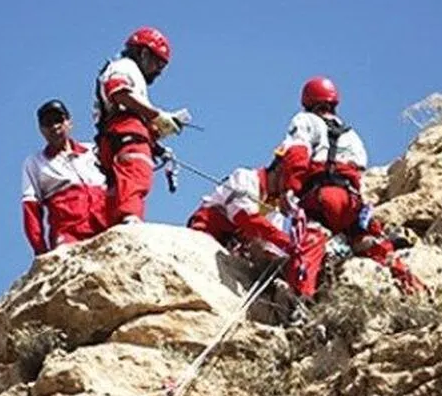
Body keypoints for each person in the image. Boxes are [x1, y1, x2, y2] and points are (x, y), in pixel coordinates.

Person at [272, 76, 424, 297]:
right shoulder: (352, 135)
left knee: (310, 240)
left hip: (321, 196)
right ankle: (413, 287)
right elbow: (358, 171)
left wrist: (290, 189)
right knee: (368, 241)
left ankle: (301, 297)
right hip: (351, 201)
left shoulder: (305, 120)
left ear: (307, 101)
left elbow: (298, 154)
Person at [93, 26, 191, 225]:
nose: (159, 72)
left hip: (111, 137)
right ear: (144, 53)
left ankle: (116, 223)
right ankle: (130, 217)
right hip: (126, 132)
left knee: (116, 185)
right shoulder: (126, 67)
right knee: (136, 171)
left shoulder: (123, 69)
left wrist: (157, 146)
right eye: (158, 63)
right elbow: (118, 92)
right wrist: (156, 116)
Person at [20, 99, 110, 256]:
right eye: (48, 123)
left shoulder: (92, 151)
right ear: (41, 130)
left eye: (58, 120)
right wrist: (41, 252)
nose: (54, 126)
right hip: (69, 234)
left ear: (69, 122)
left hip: (106, 224)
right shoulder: (35, 162)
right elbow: (31, 208)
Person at [187, 163, 293, 261]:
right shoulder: (245, 177)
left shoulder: (275, 208)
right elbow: (242, 215)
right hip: (207, 231)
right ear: (280, 168)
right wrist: (287, 242)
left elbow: (269, 247)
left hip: (232, 252)